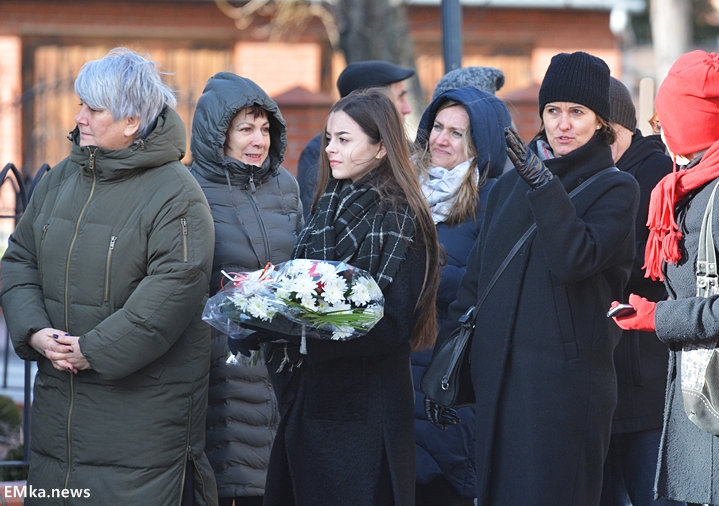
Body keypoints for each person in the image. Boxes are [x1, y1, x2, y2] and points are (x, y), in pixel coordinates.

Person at [0, 48, 217, 505]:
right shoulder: (61, 179)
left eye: (93, 109)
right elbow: (19, 258)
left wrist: (91, 351)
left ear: (132, 122)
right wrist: (36, 333)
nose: (79, 117)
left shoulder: (177, 196)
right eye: (81, 104)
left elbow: (174, 288)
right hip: (58, 423)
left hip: (138, 433)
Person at [428, 51, 640, 505]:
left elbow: (574, 259)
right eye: (553, 111)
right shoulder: (507, 186)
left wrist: (544, 187)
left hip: (564, 389)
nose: (563, 124)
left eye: (577, 112)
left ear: (600, 122)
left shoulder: (616, 187)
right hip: (499, 381)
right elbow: (475, 286)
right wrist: (449, 369)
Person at [612, 51, 719, 506]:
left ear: (691, 123)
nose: (659, 130)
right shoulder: (700, 180)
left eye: (665, 118)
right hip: (713, 414)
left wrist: (659, 317)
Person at [259, 88, 440, 506]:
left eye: (344, 139)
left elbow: (392, 325)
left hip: (366, 414)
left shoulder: (401, 218)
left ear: (380, 148)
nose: (329, 149)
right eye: (327, 138)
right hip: (312, 403)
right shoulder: (330, 205)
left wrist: (303, 331)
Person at [190, 72, 302, 506]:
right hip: (222, 369)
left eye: (265, 128)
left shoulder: (286, 187)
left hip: (284, 365)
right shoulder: (191, 190)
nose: (259, 140)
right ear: (219, 135)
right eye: (245, 129)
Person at [411, 86, 511, 506]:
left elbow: (488, 284)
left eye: (457, 134)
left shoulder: (492, 200)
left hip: (448, 372)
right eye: (437, 127)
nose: (441, 140)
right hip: (401, 366)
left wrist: (424, 275)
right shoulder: (406, 190)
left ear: (479, 144)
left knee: (442, 481)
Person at [600, 77, 679, 506]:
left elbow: (652, 271)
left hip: (643, 379)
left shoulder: (655, 175)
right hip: (605, 384)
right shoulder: (598, 173)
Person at [297, 60, 415, 214]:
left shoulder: (410, 152)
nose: (407, 109)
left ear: (382, 147)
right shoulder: (316, 152)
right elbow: (311, 216)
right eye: (400, 98)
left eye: (343, 140)